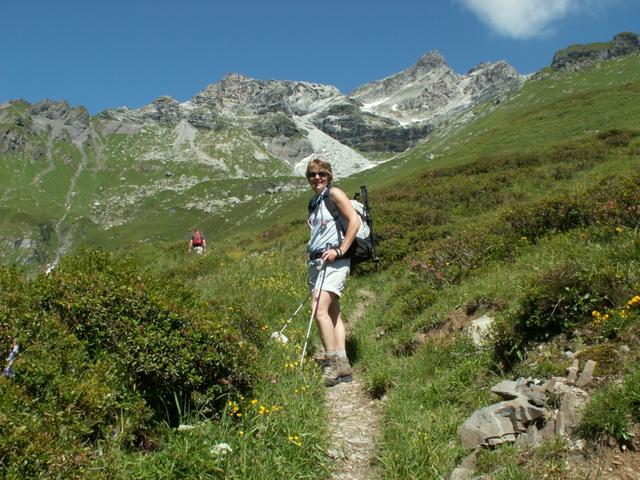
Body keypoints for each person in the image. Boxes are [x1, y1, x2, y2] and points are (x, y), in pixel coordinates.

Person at [305, 159, 359, 387]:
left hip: (335, 261)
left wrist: (340, 250)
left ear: (329, 176)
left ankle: (332, 363)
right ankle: (343, 363)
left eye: (321, 173)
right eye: (312, 174)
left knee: (318, 309)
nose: (317, 177)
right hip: (318, 263)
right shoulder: (315, 201)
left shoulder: (334, 193)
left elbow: (354, 221)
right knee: (332, 311)